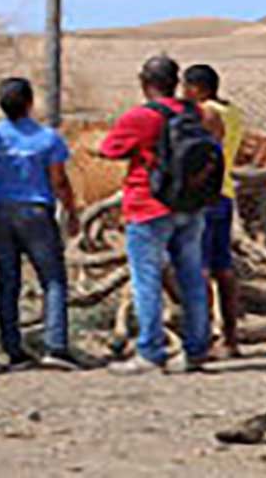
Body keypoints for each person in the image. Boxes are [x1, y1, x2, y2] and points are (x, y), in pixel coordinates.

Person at [98, 55, 213, 375]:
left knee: (146, 279)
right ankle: (196, 349)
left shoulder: (140, 116)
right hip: (190, 206)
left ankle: (150, 351)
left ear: (143, 81)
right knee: (192, 277)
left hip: (148, 207)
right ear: (176, 81)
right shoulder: (195, 112)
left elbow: (110, 149)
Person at [0, 78, 81, 372]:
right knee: (52, 279)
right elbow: (59, 180)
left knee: (7, 282)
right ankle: (56, 347)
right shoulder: (47, 138)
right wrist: (72, 209)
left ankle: (13, 350)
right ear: (30, 103)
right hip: (36, 212)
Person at [183, 64, 244, 359]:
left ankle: (202, 338)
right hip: (226, 193)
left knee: (200, 268)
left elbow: (201, 155)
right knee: (224, 267)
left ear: (197, 88)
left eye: (187, 87)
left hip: (205, 197)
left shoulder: (206, 113)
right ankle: (231, 338)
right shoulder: (233, 112)